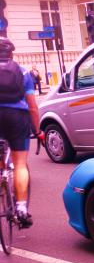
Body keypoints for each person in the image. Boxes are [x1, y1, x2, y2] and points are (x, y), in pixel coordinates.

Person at [0, 37, 44, 228]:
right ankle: (21, 209)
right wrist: (38, 130)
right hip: (17, 117)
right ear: (11, 53)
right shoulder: (24, 72)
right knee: (20, 164)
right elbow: (33, 106)